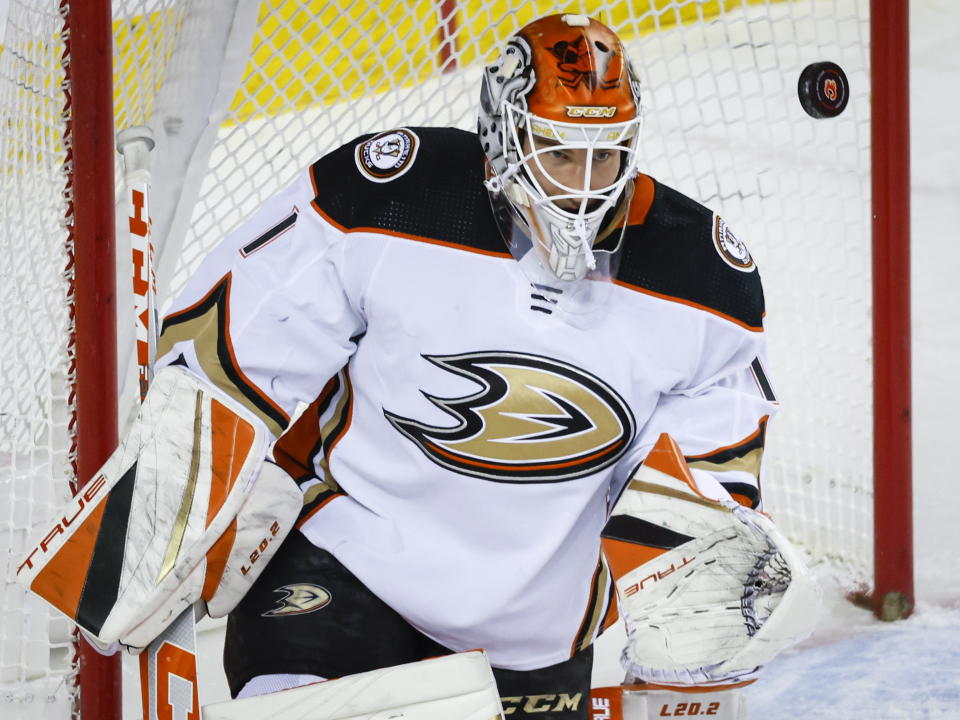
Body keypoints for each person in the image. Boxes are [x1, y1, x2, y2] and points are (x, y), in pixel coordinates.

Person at [155, 13, 780, 719]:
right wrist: (214, 469)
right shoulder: (395, 196)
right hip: (347, 572)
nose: (580, 186)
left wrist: (698, 580)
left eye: (603, 156)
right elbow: (244, 324)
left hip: (532, 634)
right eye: (556, 151)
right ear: (501, 135)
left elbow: (701, 481)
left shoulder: (705, 279)